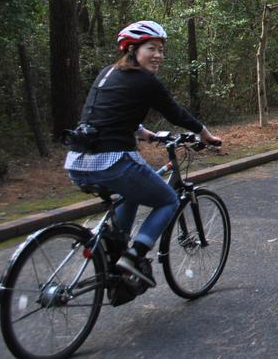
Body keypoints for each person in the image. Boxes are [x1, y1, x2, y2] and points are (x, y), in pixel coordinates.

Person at [63, 20, 222, 288]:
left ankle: (116, 260)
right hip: (112, 161)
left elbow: (105, 114)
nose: (158, 55)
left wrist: (145, 135)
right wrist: (204, 134)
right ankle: (134, 256)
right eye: (151, 48)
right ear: (133, 49)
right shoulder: (145, 80)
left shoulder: (107, 73)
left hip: (77, 162)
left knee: (130, 194)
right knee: (169, 200)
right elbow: (175, 113)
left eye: (161, 49)